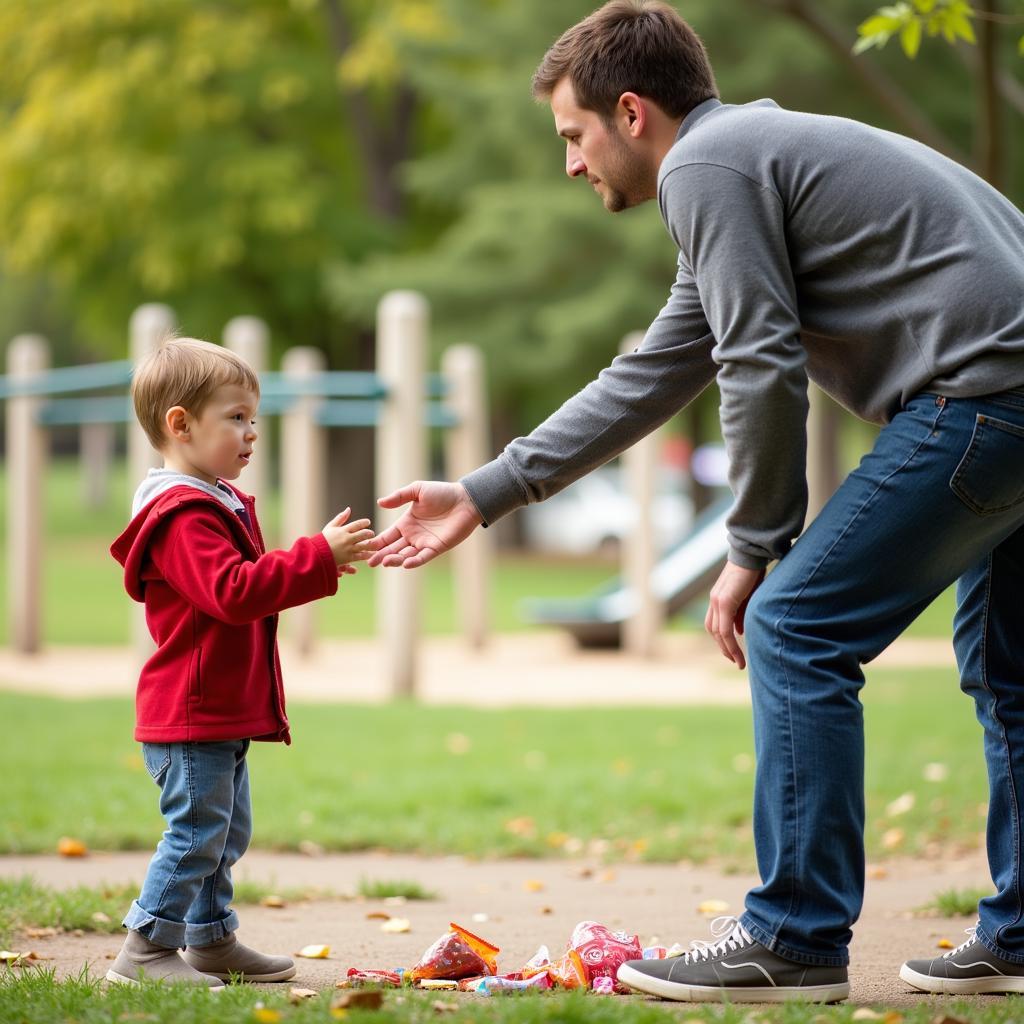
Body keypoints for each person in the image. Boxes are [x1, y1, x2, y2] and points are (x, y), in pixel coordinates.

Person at [367, 0, 1024, 1004]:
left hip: (982, 397)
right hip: (1008, 397)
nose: (570, 165)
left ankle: (794, 937)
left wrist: (756, 546)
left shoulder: (708, 169)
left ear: (631, 113)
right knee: (1007, 665)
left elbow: (760, 369)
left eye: (573, 136)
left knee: (797, 623)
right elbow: (656, 371)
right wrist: (484, 490)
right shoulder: (748, 162)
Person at [108, 337, 374, 987]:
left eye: (254, 418)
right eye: (236, 418)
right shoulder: (180, 514)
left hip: (216, 709)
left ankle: (210, 939)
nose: (252, 432)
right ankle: (144, 951)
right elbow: (233, 592)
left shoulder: (210, 498)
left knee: (223, 835)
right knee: (197, 834)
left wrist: (317, 560)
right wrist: (315, 555)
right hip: (190, 712)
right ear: (180, 424)